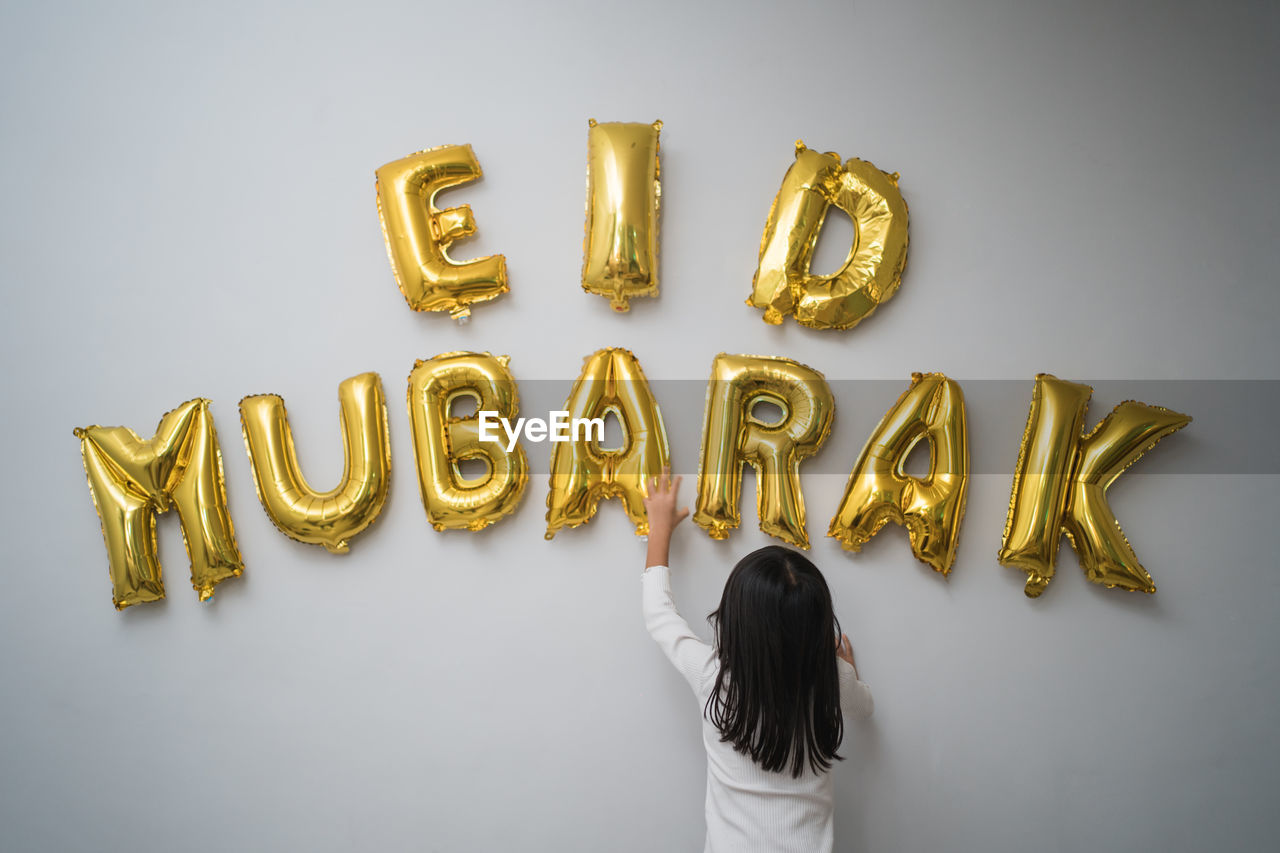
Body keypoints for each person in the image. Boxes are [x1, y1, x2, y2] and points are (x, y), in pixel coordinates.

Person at [641, 468, 874, 853]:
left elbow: (659, 616)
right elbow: (864, 707)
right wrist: (846, 671)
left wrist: (659, 529)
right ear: (816, 625)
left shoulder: (713, 675)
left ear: (735, 618)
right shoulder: (828, 678)